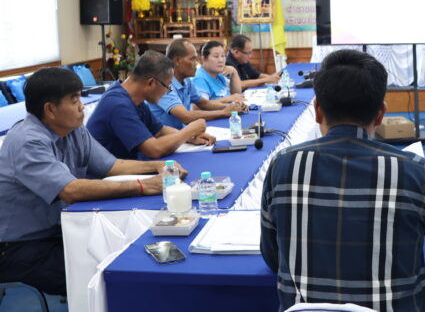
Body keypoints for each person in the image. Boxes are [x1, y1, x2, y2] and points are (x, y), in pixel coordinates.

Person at [260, 49, 425, 312]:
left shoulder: (282, 166)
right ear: (381, 114)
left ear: (317, 110)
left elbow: (272, 258)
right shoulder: (421, 173)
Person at [0, 68, 187, 296]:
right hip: (20, 247)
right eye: (74, 100)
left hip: (60, 231)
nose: (82, 106)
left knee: (128, 250)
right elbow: (71, 190)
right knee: (106, 275)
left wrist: (157, 166)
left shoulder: (73, 130)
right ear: (50, 110)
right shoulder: (27, 141)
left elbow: (112, 166)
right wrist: (143, 186)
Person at [88, 50, 216, 159]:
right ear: (151, 83)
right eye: (167, 86)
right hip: (108, 176)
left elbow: (160, 131)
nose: (166, 92)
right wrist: (188, 131)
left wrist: (190, 137)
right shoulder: (118, 105)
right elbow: (154, 150)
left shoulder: (134, 98)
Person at [148, 39, 247, 129]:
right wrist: (224, 112)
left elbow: (205, 104)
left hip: (182, 134)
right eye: (192, 59)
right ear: (177, 61)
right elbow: (185, 116)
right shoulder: (163, 84)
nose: (196, 64)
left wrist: (233, 107)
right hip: (167, 138)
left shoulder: (187, 81)